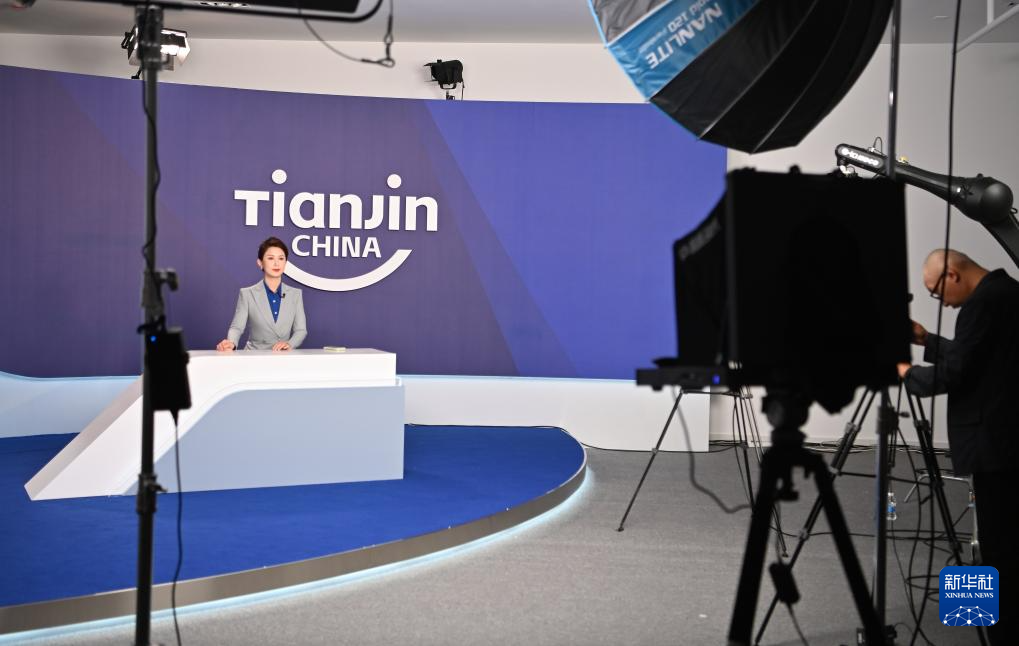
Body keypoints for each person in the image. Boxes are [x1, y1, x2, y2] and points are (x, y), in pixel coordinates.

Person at [898, 248, 1019, 643]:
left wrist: (905, 372)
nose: (943, 304)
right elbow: (977, 357)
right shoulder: (1007, 293)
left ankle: (1001, 633)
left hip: (995, 448)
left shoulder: (980, 305)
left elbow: (955, 373)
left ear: (952, 274)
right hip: (1006, 442)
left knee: (998, 548)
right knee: (1001, 540)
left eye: (937, 293)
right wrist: (926, 339)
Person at [216, 237, 307, 352]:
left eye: (281, 258)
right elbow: (237, 327)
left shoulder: (295, 294)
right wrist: (231, 343)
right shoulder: (247, 294)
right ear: (260, 263)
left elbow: (301, 330)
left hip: (283, 356)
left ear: (285, 263)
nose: (276, 263)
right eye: (270, 258)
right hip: (254, 356)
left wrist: (289, 344)